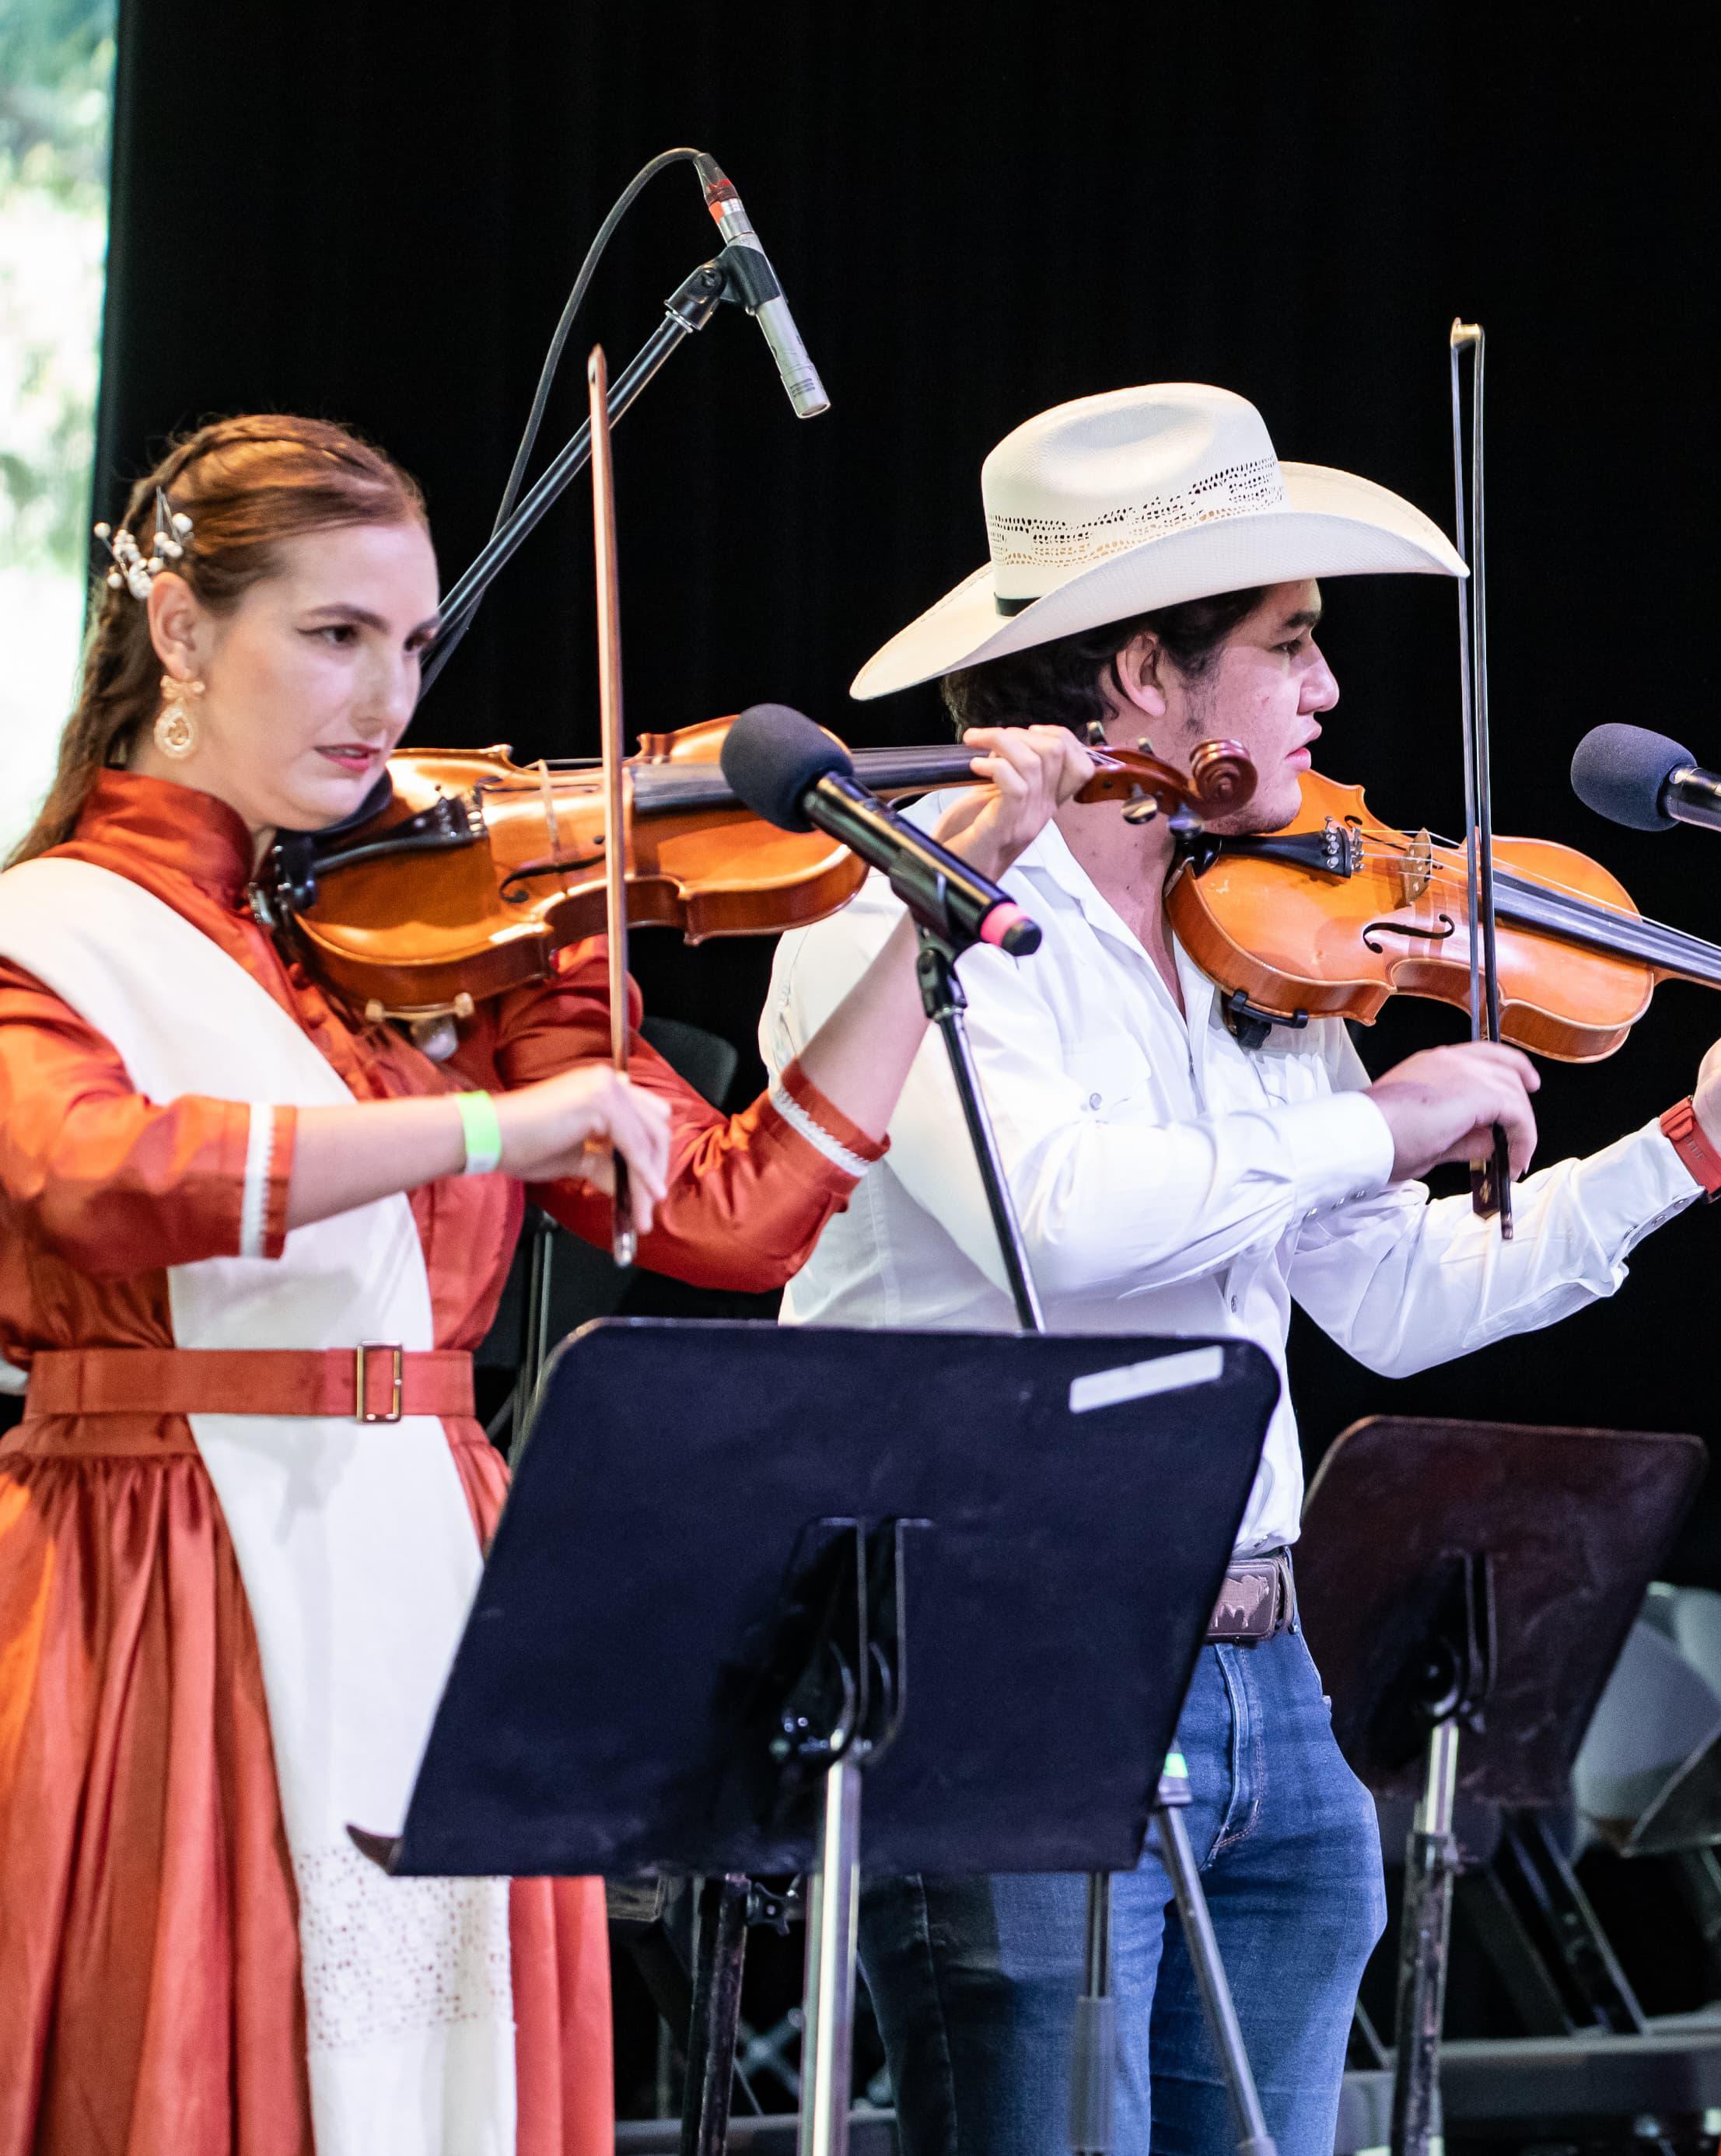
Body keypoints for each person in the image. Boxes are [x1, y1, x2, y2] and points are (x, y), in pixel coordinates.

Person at [761, 381, 1721, 2156]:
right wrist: (1386, 1117)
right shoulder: (888, 917)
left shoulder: (1261, 940)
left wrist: (1699, 1136)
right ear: (1140, 673)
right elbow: (1067, 1220)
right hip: (1010, 1647)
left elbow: (1388, 1296)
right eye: (1290, 644)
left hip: (1269, 1667)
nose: (1327, 692)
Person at [0, 415, 1097, 2156]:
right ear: (183, 636)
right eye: (335, 634)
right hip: (170, 1560)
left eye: (415, 644)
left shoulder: (454, 926)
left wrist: (930, 919)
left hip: (434, 1560)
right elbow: (99, 1172)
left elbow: (736, 1218)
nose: (385, 700)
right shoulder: (54, 928)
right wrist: (477, 1125)